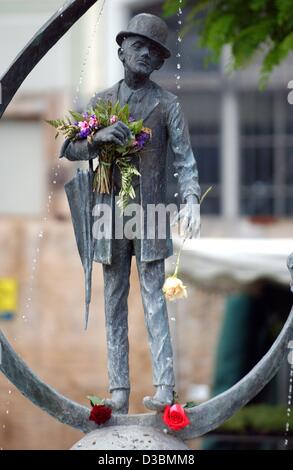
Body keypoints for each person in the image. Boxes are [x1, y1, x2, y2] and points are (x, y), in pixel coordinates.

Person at [60, 13, 201, 413]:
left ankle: (164, 388)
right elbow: (69, 148)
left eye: (153, 52)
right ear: (120, 50)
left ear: (159, 63)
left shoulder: (167, 104)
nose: (145, 55)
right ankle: (118, 391)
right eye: (138, 46)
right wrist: (98, 137)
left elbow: (185, 162)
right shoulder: (102, 103)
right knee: (115, 301)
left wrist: (191, 200)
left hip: (153, 213)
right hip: (109, 216)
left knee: (156, 299)